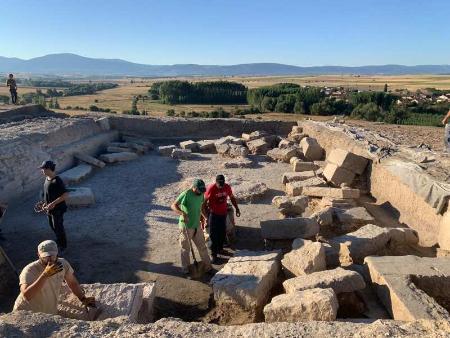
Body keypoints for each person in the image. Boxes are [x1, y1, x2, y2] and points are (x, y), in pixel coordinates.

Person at [13, 240, 95, 314]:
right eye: (45, 256)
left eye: (52, 255)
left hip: (49, 312)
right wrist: (44, 275)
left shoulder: (63, 264)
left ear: (57, 253)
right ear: (38, 255)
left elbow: (72, 283)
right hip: (27, 312)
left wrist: (83, 298)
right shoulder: (29, 270)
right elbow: (27, 295)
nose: (49, 259)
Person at [171, 178, 212, 276]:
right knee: (185, 249)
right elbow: (173, 205)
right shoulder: (186, 194)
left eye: (202, 190)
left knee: (202, 247)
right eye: (199, 190)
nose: (201, 192)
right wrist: (182, 213)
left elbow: (200, 207)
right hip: (186, 226)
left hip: (196, 225)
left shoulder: (201, 194)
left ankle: (207, 266)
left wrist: (204, 217)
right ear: (194, 187)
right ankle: (185, 269)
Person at [204, 175, 240, 264]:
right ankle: (213, 254)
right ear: (216, 182)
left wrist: (237, 208)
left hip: (223, 214)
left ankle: (220, 249)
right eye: (219, 184)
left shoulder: (227, 187)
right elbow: (203, 203)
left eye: (222, 184)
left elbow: (231, 197)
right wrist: (205, 217)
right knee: (213, 235)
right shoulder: (211, 188)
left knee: (222, 233)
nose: (221, 186)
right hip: (213, 214)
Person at [39, 160, 69, 251]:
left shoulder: (57, 180)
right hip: (50, 209)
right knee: (53, 226)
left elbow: (65, 195)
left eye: (43, 169)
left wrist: (52, 204)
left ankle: (63, 245)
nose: (42, 171)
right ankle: (59, 240)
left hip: (58, 209)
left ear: (48, 169)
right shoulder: (47, 179)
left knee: (58, 227)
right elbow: (48, 194)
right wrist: (45, 203)